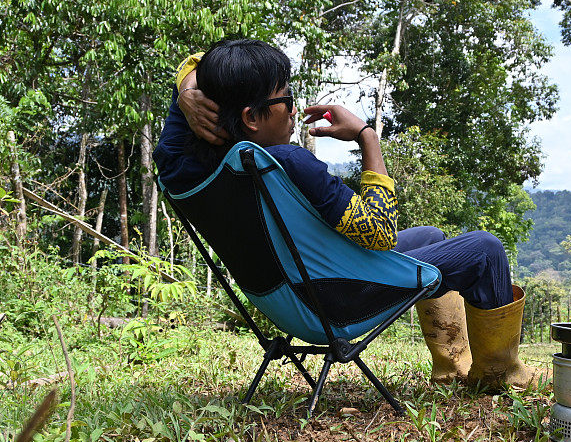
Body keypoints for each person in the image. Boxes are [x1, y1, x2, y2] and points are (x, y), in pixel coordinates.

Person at [154, 39, 535, 390]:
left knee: (431, 237)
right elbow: (379, 231)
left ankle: (451, 366)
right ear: (252, 118)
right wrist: (366, 136)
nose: (292, 111)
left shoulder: (180, 164)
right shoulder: (287, 162)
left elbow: (198, 68)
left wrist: (187, 90)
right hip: (335, 300)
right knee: (484, 249)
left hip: (284, 300)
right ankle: (500, 375)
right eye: (286, 100)